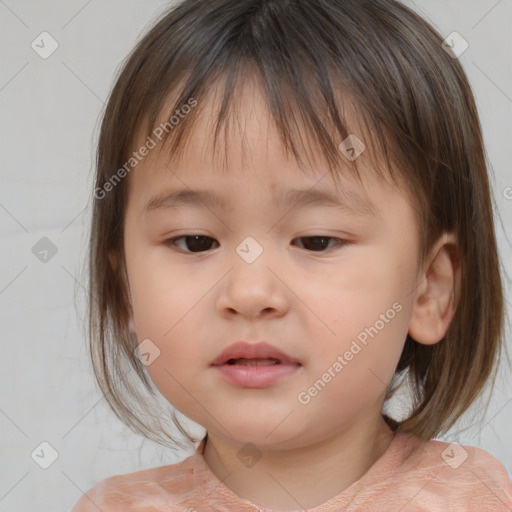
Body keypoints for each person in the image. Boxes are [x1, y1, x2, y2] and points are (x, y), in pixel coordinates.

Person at [71, 0, 512, 510]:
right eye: (195, 241)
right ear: (126, 287)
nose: (250, 294)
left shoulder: (475, 498)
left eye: (316, 240)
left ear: (430, 289)